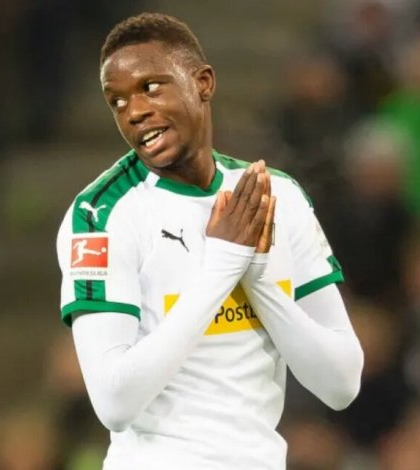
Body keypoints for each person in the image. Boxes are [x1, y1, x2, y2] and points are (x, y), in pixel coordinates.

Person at [55, 13, 364, 469]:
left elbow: (341, 383)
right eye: (116, 101)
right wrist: (222, 266)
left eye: (150, 87)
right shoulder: (101, 215)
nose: (134, 111)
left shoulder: (277, 197)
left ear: (203, 83)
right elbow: (114, 402)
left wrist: (257, 279)